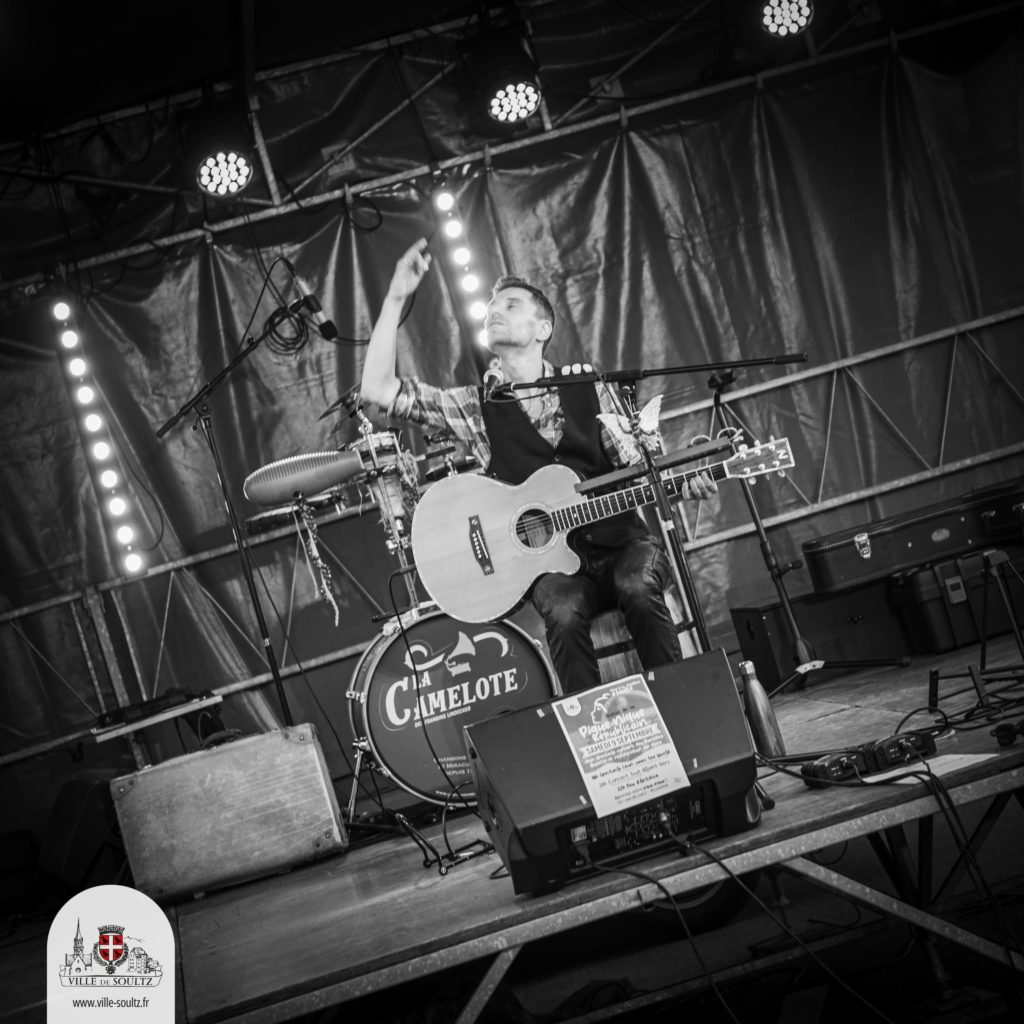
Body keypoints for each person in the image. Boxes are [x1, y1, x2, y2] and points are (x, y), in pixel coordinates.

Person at [360, 238, 717, 694]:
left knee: (637, 585)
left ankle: (682, 707)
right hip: (556, 572)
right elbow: (377, 391)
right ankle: (589, 724)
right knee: (562, 611)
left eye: (510, 305)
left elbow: (639, 466)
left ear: (543, 327)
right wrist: (395, 296)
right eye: (491, 308)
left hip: (623, 546)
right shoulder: (476, 407)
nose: (494, 311)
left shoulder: (591, 386)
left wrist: (682, 479)